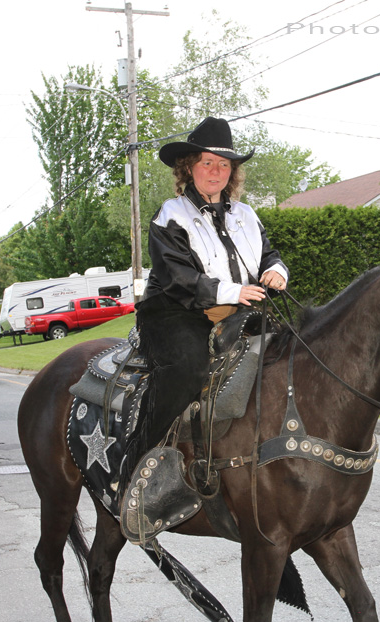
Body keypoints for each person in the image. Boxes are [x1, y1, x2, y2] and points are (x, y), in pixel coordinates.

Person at [132, 116, 288, 456]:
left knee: (291, 350)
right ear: (189, 168)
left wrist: (277, 271)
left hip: (238, 312)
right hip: (174, 313)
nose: (216, 172)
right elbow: (178, 278)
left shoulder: (247, 215)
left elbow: (268, 255)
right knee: (188, 367)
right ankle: (140, 454)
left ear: (232, 172)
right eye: (207, 163)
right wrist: (234, 292)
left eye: (224, 164)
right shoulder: (171, 215)